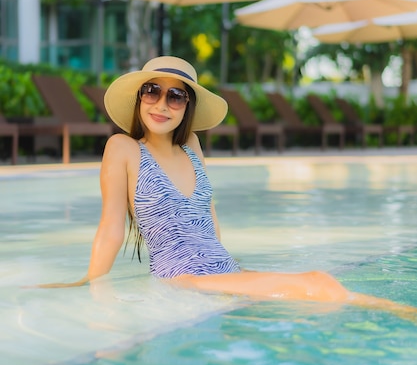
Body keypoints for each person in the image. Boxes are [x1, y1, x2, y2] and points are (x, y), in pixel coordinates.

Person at [41, 56, 415, 317]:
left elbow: (209, 217)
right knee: (318, 283)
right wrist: (89, 285)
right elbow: (110, 228)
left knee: (320, 287)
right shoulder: (122, 148)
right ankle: (405, 315)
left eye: (176, 95)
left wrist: (236, 271)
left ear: (187, 106)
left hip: (221, 270)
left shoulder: (191, 146)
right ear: (139, 97)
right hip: (182, 279)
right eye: (152, 90)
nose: (162, 104)